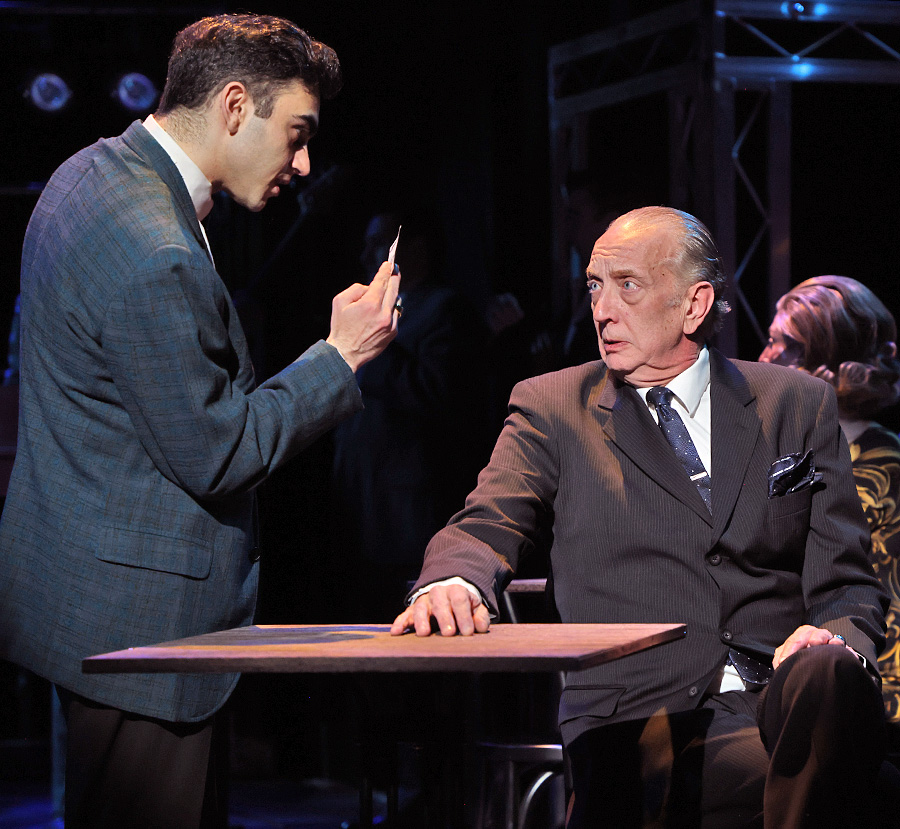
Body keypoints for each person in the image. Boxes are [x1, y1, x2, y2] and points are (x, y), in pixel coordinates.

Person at [0, 14, 400, 829]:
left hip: (88, 597)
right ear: (230, 106)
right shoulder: (158, 249)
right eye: (295, 134)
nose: (304, 163)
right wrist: (340, 355)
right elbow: (219, 452)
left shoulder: (89, 172)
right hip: (143, 631)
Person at [391, 206, 891, 828]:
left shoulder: (793, 402)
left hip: (779, 699)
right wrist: (454, 579)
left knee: (828, 676)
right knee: (855, 786)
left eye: (627, 285)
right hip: (639, 716)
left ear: (694, 304)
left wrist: (839, 638)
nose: (601, 310)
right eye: (596, 287)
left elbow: (847, 582)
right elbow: (487, 519)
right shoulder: (554, 408)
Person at [330, 209, 490, 622]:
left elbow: (439, 394)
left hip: (407, 508)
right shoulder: (375, 310)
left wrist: (371, 347)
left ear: (413, 248)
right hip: (361, 498)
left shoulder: (445, 310)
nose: (366, 254)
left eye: (377, 243)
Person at [760, 275, 900, 733]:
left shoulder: (880, 470)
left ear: (822, 362)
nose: (765, 359)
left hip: (864, 699)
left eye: (782, 345)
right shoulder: (789, 455)